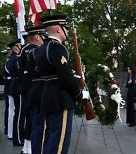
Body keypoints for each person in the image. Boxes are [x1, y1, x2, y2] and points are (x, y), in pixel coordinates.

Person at [35, 14, 83, 153]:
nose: (67, 32)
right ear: (58, 29)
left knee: (50, 138)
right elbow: (66, 76)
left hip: (48, 95)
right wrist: (78, 93)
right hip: (60, 98)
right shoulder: (57, 48)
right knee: (59, 143)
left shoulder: (42, 48)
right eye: (65, 28)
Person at [18, 26, 46, 154]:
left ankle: (26, 146)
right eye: (43, 35)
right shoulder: (36, 50)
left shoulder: (23, 50)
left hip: (25, 85)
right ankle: (30, 146)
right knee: (35, 119)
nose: (44, 38)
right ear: (36, 36)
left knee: (29, 117)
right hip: (35, 85)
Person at [7, 39, 25, 146]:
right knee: (19, 114)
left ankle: (18, 137)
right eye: (19, 46)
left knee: (19, 113)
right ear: (16, 47)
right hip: (18, 86)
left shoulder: (12, 58)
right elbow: (20, 72)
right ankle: (18, 138)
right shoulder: (15, 59)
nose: (20, 48)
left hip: (16, 85)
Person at [1, 47, 11, 135]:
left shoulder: (7, 63)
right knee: (9, 108)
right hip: (9, 86)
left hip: (8, 86)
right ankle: (7, 127)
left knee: (9, 108)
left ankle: (7, 127)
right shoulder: (7, 63)